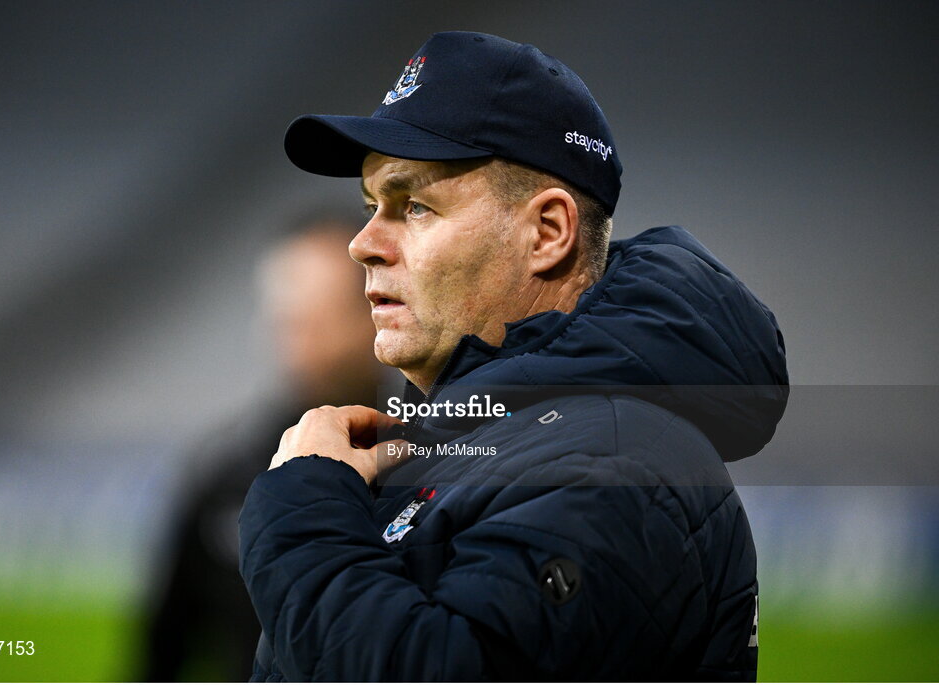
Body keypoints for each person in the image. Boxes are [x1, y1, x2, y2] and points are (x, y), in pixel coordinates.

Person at [239, 32, 787, 681]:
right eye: (370, 206)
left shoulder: (615, 461)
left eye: (413, 205)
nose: (362, 243)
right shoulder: (501, 433)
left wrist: (304, 507)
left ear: (547, 232)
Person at [139, 215, 382, 681]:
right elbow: (163, 645)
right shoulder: (225, 470)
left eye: (318, 311)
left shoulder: (434, 454)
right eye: (283, 307)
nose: (293, 328)